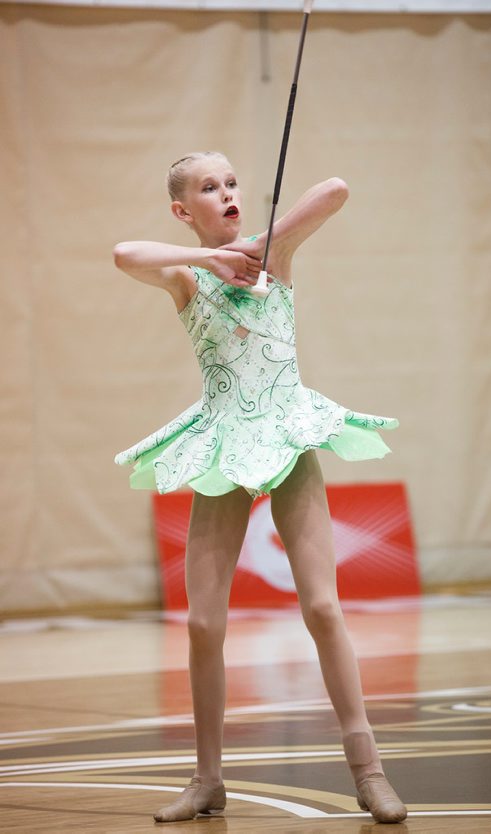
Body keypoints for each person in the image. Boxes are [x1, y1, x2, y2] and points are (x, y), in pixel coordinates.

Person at [113, 151, 407, 824]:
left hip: (288, 434)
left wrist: (257, 247)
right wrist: (212, 261)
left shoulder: (272, 259)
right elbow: (125, 253)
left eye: (231, 183)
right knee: (204, 622)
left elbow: (335, 187)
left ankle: (369, 772)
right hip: (225, 446)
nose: (226, 193)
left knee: (324, 608)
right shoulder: (187, 279)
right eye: (208, 189)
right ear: (184, 211)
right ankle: (207, 779)